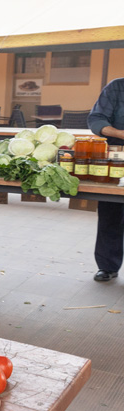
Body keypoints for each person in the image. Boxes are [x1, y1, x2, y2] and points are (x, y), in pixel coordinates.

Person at [88, 79, 124, 281]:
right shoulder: (116, 87)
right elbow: (97, 119)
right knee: (111, 211)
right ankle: (107, 266)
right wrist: (119, 133)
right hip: (116, 155)